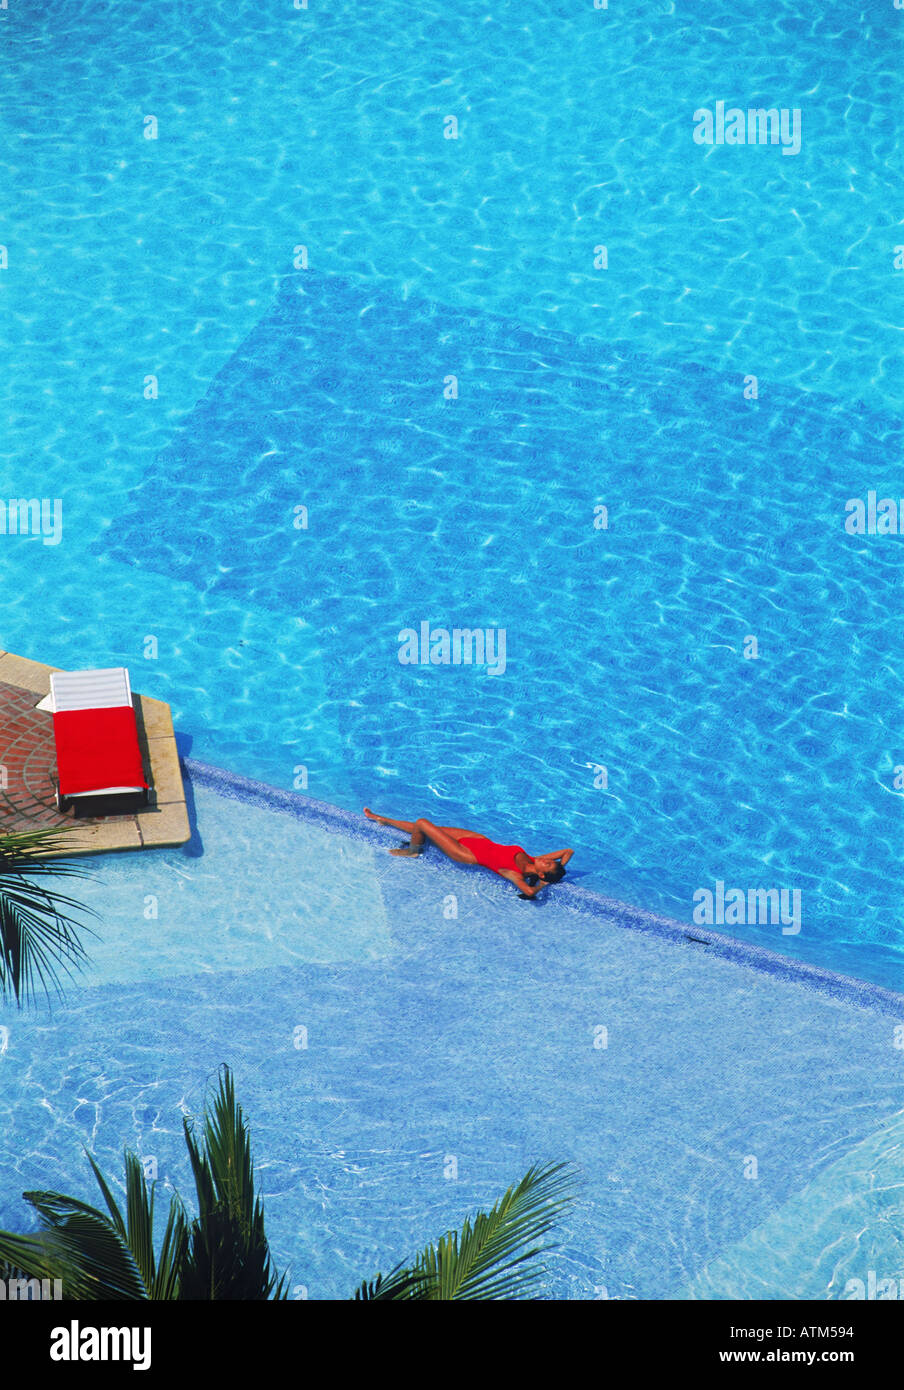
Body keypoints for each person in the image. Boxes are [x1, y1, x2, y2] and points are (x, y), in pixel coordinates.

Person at [363, 807, 573, 899]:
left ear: (542, 874)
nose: (546, 859)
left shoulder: (515, 873)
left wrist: (541, 886)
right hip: (477, 840)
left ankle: (412, 851)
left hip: (466, 853)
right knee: (428, 828)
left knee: (422, 824)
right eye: (549, 860)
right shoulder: (532, 860)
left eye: (547, 864)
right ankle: (384, 820)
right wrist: (558, 869)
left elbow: (528, 892)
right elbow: (567, 851)